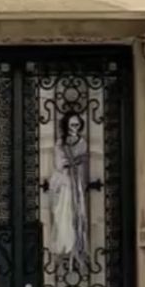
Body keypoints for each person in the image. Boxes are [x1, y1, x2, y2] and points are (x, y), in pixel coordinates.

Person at [48, 110, 89, 266]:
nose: (75, 128)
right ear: (66, 125)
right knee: (61, 214)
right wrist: (71, 162)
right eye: (72, 124)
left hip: (75, 182)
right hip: (63, 182)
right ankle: (63, 247)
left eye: (77, 125)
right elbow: (59, 164)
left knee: (76, 214)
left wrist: (74, 163)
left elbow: (82, 161)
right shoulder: (60, 143)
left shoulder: (82, 142)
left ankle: (76, 249)